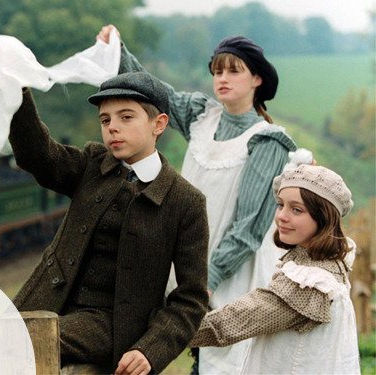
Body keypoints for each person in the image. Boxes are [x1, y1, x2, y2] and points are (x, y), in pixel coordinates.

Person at [97, 26, 298, 373]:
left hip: (233, 270)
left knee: (227, 361)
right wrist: (118, 49)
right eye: (217, 70)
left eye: (234, 70)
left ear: (257, 80)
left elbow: (247, 229)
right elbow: (154, 92)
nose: (222, 78)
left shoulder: (267, 141)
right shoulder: (201, 115)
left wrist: (202, 282)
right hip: (187, 255)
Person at [8, 71, 209, 374]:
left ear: (159, 124)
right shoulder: (92, 163)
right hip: (47, 302)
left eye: (126, 117)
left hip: (112, 324)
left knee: (27, 339)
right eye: (105, 120)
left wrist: (149, 350)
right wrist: (17, 93)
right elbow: (39, 156)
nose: (113, 127)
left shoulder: (185, 202)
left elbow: (190, 300)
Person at [190, 164, 360, 374]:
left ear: (324, 217)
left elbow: (234, 321)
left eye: (297, 209)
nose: (282, 216)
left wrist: (166, 332)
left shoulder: (310, 284)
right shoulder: (327, 263)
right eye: (280, 205)